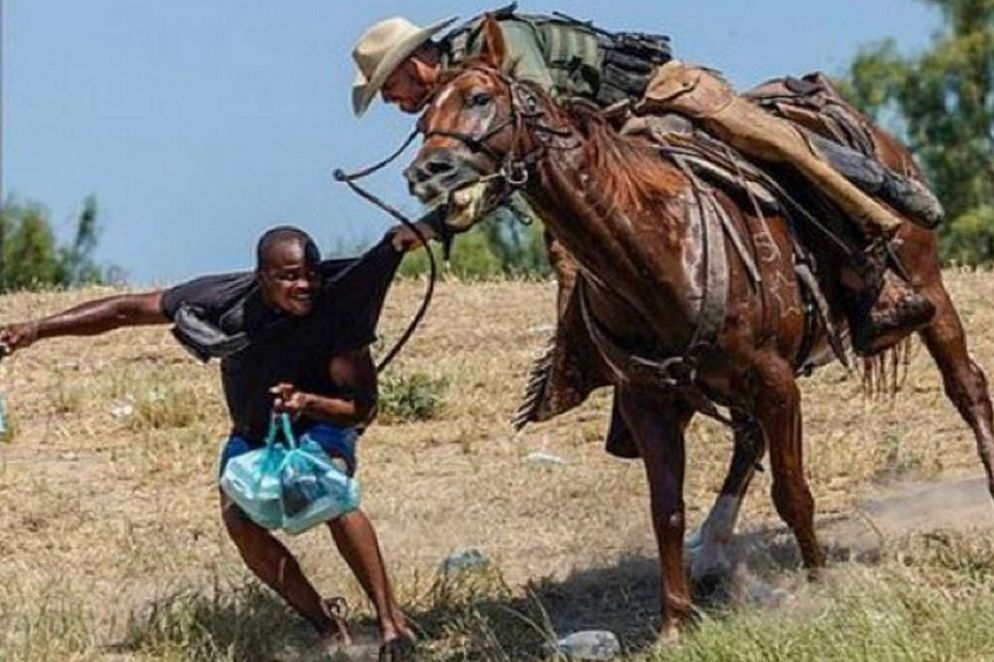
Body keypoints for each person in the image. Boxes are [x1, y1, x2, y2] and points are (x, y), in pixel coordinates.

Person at [349, 5, 942, 356]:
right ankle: (605, 360)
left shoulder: (496, 48)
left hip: (657, 100)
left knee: (773, 153)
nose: (394, 103)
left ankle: (873, 263)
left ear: (412, 64)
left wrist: (446, 215)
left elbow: (539, 131)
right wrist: (438, 214)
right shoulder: (456, 98)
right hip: (608, 140)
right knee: (571, 246)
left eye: (390, 89)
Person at [0, 225, 427, 659]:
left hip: (322, 424)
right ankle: (329, 627)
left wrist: (306, 401)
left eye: (311, 275)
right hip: (253, 433)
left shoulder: (338, 311)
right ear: (262, 276)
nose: (305, 286)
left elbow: (361, 410)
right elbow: (127, 310)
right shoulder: (221, 299)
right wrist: (37, 329)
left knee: (327, 490)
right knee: (240, 521)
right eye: (290, 276)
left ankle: (392, 623)